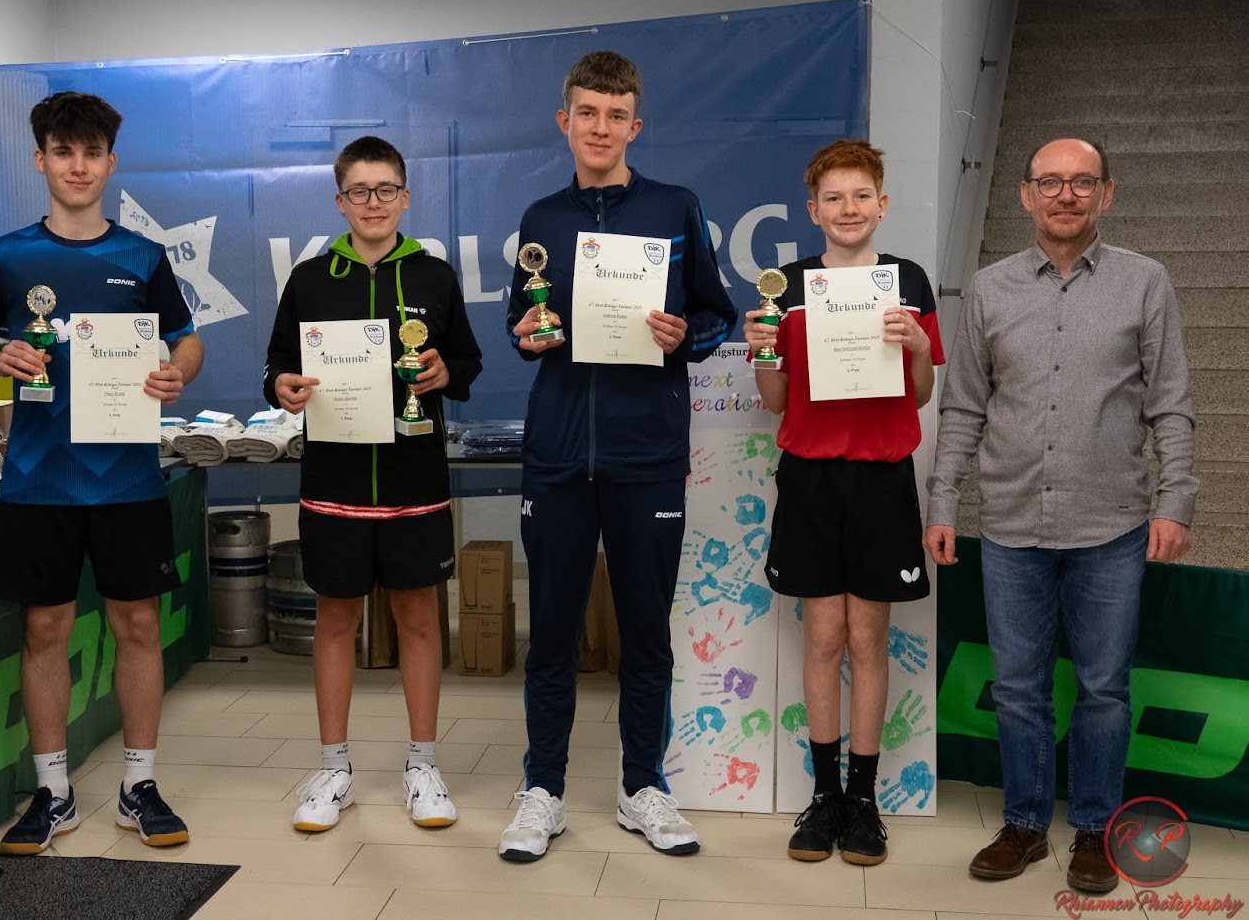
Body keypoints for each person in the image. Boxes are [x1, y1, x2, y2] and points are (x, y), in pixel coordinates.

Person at [924, 138, 1196, 895]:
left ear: (1106, 193)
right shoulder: (990, 288)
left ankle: (1095, 830)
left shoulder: (1145, 282)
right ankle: (1023, 824)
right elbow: (964, 405)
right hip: (1011, 523)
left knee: (1104, 688)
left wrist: (1176, 501)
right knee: (1018, 688)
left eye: (1081, 182)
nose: (1065, 195)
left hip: (1112, 524)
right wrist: (942, 500)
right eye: (1050, 182)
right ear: (1025, 194)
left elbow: (1171, 403)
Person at [499, 51, 737, 863]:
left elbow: (716, 316)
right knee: (551, 635)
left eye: (616, 115)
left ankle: (643, 787)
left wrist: (683, 334)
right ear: (564, 121)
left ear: (636, 125)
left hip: (646, 457)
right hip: (559, 456)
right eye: (587, 113)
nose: (600, 128)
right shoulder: (541, 218)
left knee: (645, 635)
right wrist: (526, 336)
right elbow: (523, 321)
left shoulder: (676, 206)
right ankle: (543, 791)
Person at [0, 91, 204, 855]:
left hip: (127, 478)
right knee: (45, 629)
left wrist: (178, 373)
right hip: (38, 479)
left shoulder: (143, 257)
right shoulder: (6, 256)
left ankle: (139, 786)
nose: (78, 166)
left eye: (92, 153)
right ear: (41, 160)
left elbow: (186, 340)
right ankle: (53, 793)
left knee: (138, 625)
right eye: (64, 152)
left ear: (110, 163)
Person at [263, 136, 482, 832]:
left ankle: (423, 765)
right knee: (336, 620)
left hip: (416, 480)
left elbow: (467, 361)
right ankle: (334, 768)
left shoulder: (434, 275)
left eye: (386, 189)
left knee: (419, 618)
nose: (374, 202)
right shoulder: (310, 279)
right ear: (340, 201)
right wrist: (283, 385)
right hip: (334, 481)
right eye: (359, 191)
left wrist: (445, 372)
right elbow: (276, 363)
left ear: (405, 197)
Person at [742, 139, 943, 866]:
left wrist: (914, 346)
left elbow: (920, 393)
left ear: (882, 205)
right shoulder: (786, 286)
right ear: (813, 210)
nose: (848, 208)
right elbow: (774, 400)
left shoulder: (908, 281)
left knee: (868, 640)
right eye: (834, 198)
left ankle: (864, 800)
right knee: (824, 637)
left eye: (861, 196)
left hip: (882, 478)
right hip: (810, 479)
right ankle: (824, 796)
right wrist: (763, 349)